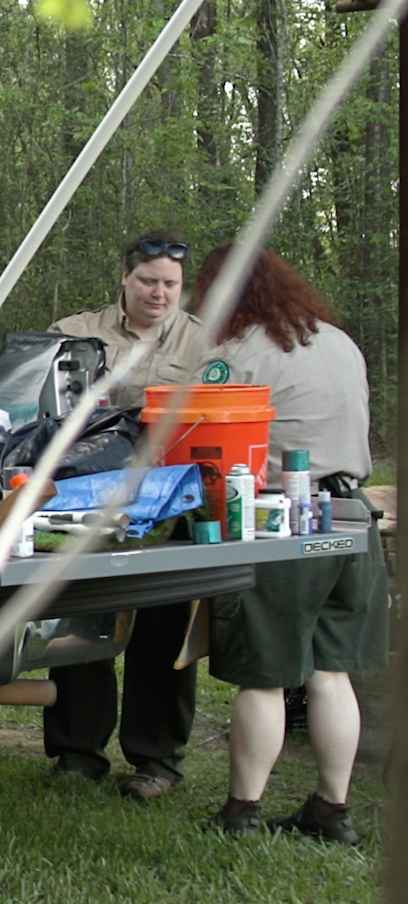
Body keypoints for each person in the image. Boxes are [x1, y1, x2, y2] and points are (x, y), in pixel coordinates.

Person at [193, 246, 384, 842]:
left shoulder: (235, 356)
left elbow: (202, 440)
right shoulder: (337, 340)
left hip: (281, 518)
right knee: (331, 673)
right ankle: (333, 811)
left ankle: (241, 813)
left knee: (267, 674)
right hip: (352, 513)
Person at [43, 233, 206, 801]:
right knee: (81, 622)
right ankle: (77, 751)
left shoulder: (204, 340)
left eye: (171, 285)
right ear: (125, 278)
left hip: (170, 498)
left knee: (162, 631)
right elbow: (52, 404)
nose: (159, 294)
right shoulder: (76, 332)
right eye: (148, 281)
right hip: (89, 495)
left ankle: (156, 760)